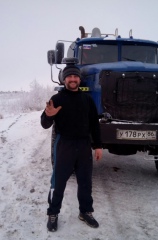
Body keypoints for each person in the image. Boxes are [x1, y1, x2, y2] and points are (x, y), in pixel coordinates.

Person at [41, 65, 102, 232]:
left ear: (79, 79)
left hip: (83, 146)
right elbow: (44, 124)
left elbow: (94, 125)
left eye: (75, 76)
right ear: (64, 79)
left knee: (85, 183)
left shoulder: (87, 100)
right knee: (58, 182)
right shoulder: (57, 99)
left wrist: (98, 146)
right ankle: (52, 214)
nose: (73, 79)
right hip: (64, 146)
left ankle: (85, 212)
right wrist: (49, 115)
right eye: (69, 77)